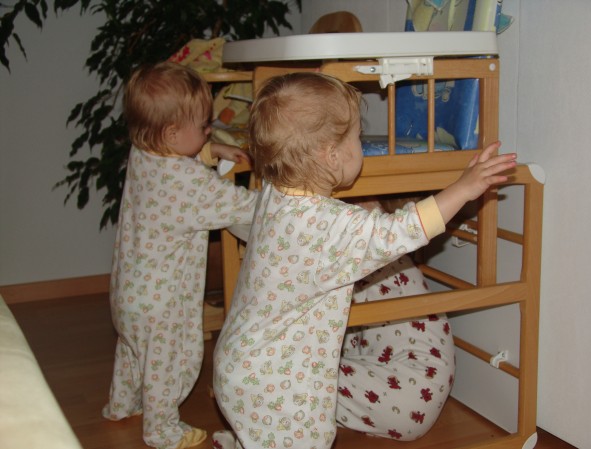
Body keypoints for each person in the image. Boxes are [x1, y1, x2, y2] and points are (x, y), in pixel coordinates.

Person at [212, 72, 516, 449]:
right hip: (279, 381)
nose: (361, 145)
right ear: (331, 156)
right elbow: (404, 229)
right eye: (357, 136)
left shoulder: (275, 195)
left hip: (243, 363)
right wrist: (465, 188)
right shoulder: (326, 226)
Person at [102, 61, 258, 449]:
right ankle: (162, 431)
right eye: (204, 126)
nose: (209, 130)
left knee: (133, 350)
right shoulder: (187, 183)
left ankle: (121, 404)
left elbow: (176, 161)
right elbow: (240, 206)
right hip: (163, 304)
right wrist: (287, 199)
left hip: (129, 293)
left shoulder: (143, 154)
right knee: (166, 365)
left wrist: (208, 151)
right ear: (171, 132)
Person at [336, 198, 455, 441]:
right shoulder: (389, 255)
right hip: (409, 387)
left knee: (296, 376)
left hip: (407, 391)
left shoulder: (374, 252)